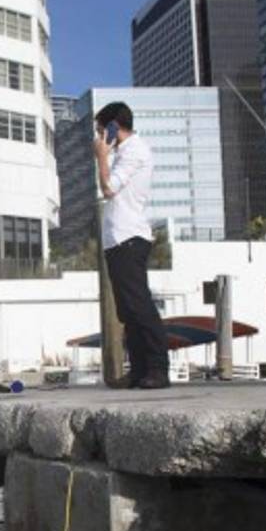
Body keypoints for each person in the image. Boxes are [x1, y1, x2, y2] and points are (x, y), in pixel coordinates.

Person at [93, 101, 170, 389]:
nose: (98, 137)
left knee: (139, 306)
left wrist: (102, 156)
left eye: (101, 130)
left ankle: (158, 370)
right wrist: (106, 156)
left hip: (129, 238)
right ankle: (139, 371)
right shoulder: (123, 153)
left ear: (114, 127)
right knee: (127, 311)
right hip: (116, 240)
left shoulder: (135, 151)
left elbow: (109, 188)